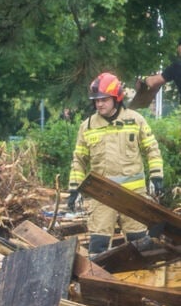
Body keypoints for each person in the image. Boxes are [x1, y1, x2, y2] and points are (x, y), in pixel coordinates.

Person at [68, 72, 163, 257]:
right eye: (96, 100)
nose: (99, 104)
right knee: (97, 248)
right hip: (102, 197)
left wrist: (157, 176)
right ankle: (100, 284)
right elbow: (78, 161)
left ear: (116, 98)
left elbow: (152, 149)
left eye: (104, 99)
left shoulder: (135, 120)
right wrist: (74, 189)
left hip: (132, 197)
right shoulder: (87, 126)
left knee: (140, 246)